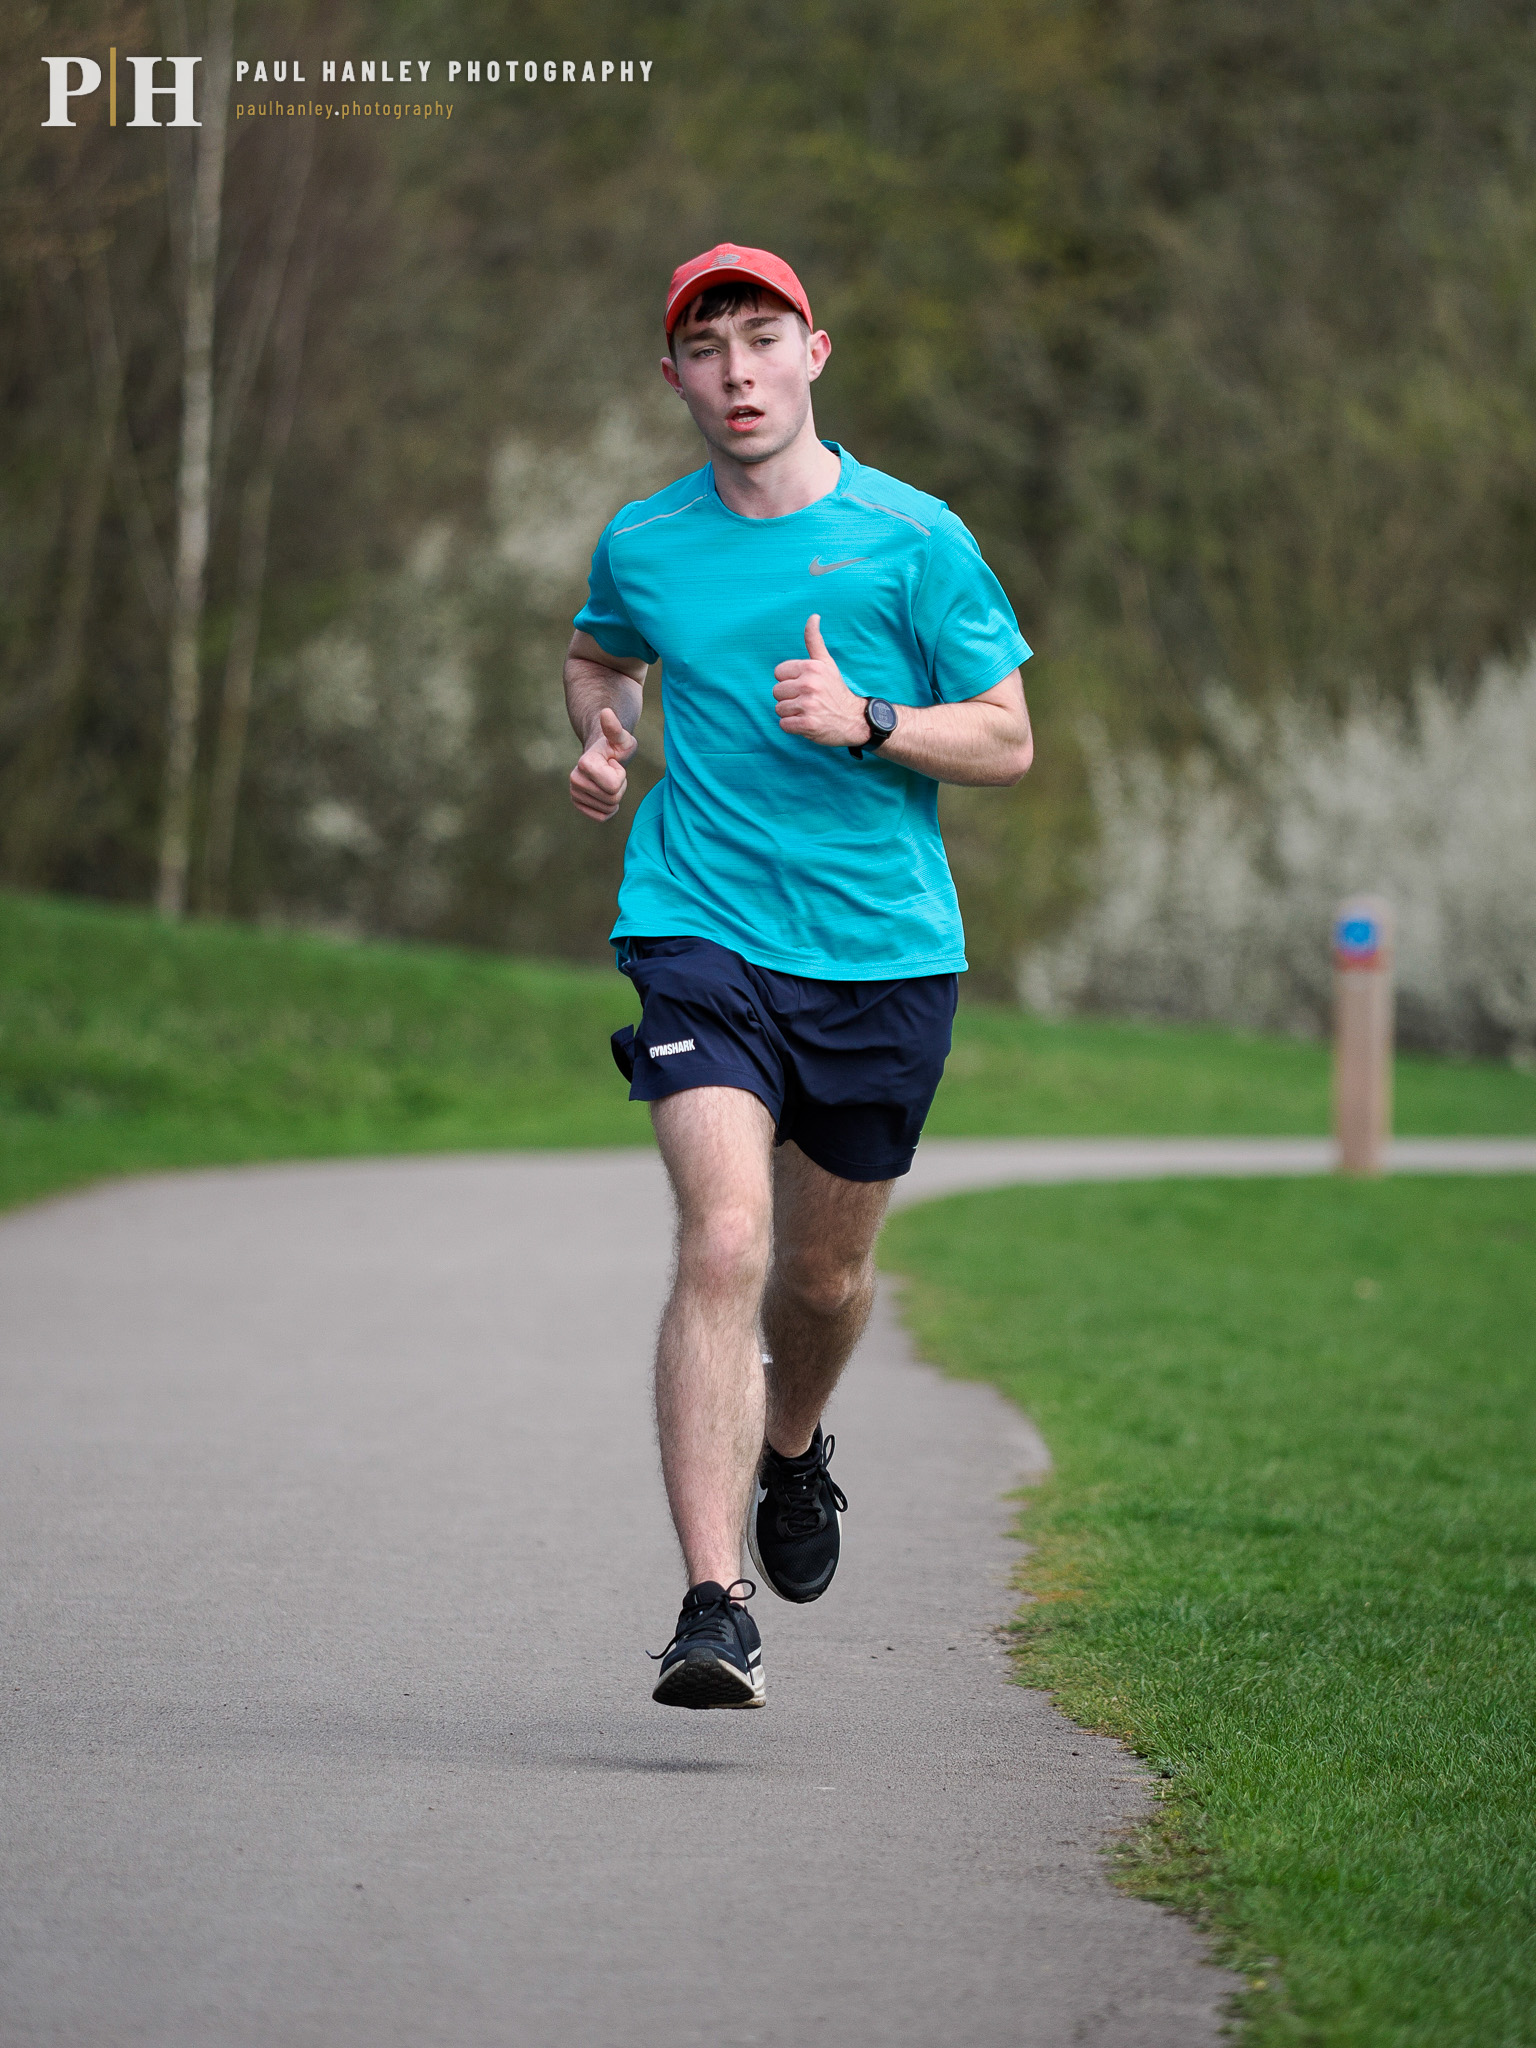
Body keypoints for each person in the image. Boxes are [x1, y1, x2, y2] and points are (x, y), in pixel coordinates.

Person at [564, 243, 1033, 1709]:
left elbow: (1009, 737)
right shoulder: (646, 541)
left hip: (883, 956)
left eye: (764, 340)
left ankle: (793, 1452)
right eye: (709, 350)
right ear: (676, 380)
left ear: (814, 354)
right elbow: (600, 652)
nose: (739, 372)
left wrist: (872, 717)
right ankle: (713, 1605)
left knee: (822, 1278)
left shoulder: (917, 538)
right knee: (724, 1240)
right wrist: (598, 731)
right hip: (698, 925)